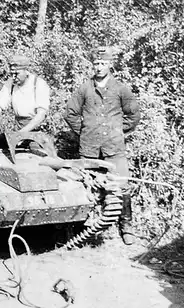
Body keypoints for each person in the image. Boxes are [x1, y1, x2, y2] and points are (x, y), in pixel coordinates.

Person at [64, 46, 141, 245]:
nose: (99, 67)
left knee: (121, 185)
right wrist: (85, 131)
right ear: (92, 65)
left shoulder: (120, 88)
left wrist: (118, 130)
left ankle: (126, 226)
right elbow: (70, 113)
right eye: (96, 63)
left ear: (110, 64)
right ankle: (82, 227)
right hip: (89, 148)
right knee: (85, 185)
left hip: (114, 146)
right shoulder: (84, 88)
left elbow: (134, 114)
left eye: (103, 63)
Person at [0, 54, 50, 139]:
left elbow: (41, 115)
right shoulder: (11, 83)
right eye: (12, 74)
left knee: (33, 150)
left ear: (26, 71)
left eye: (16, 73)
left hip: (37, 130)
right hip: (19, 128)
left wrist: (22, 133)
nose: (13, 77)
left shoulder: (38, 84)